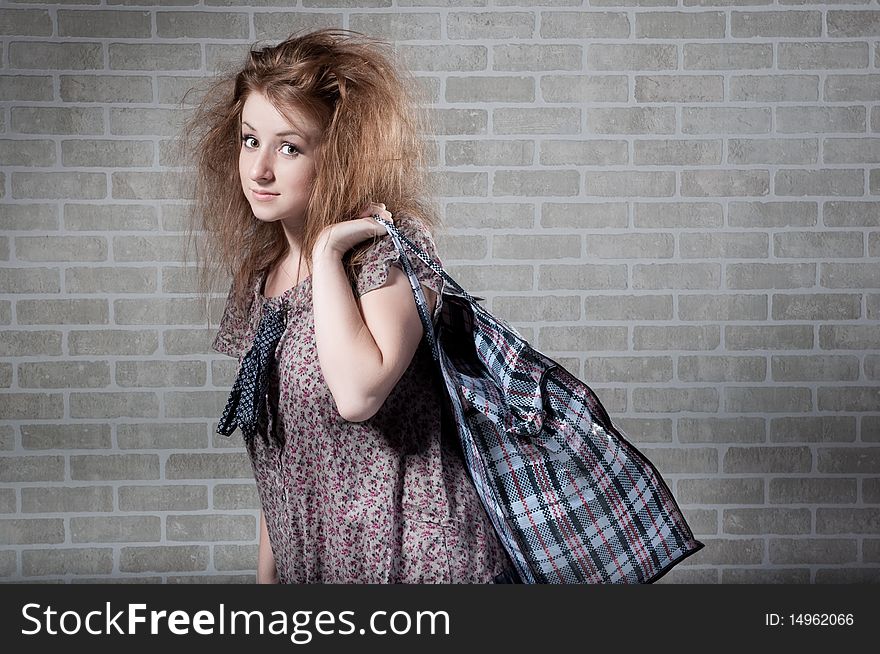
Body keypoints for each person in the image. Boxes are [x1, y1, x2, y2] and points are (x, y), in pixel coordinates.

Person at [182, 28, 517, 583]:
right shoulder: (261, 279)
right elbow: (284, 454)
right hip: (315, 567)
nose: (259, 169)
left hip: (418, 562)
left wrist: (327, 250)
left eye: (289, 147)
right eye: (249, 140)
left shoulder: (387, 254)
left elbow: (357, 394)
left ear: (338, 156)